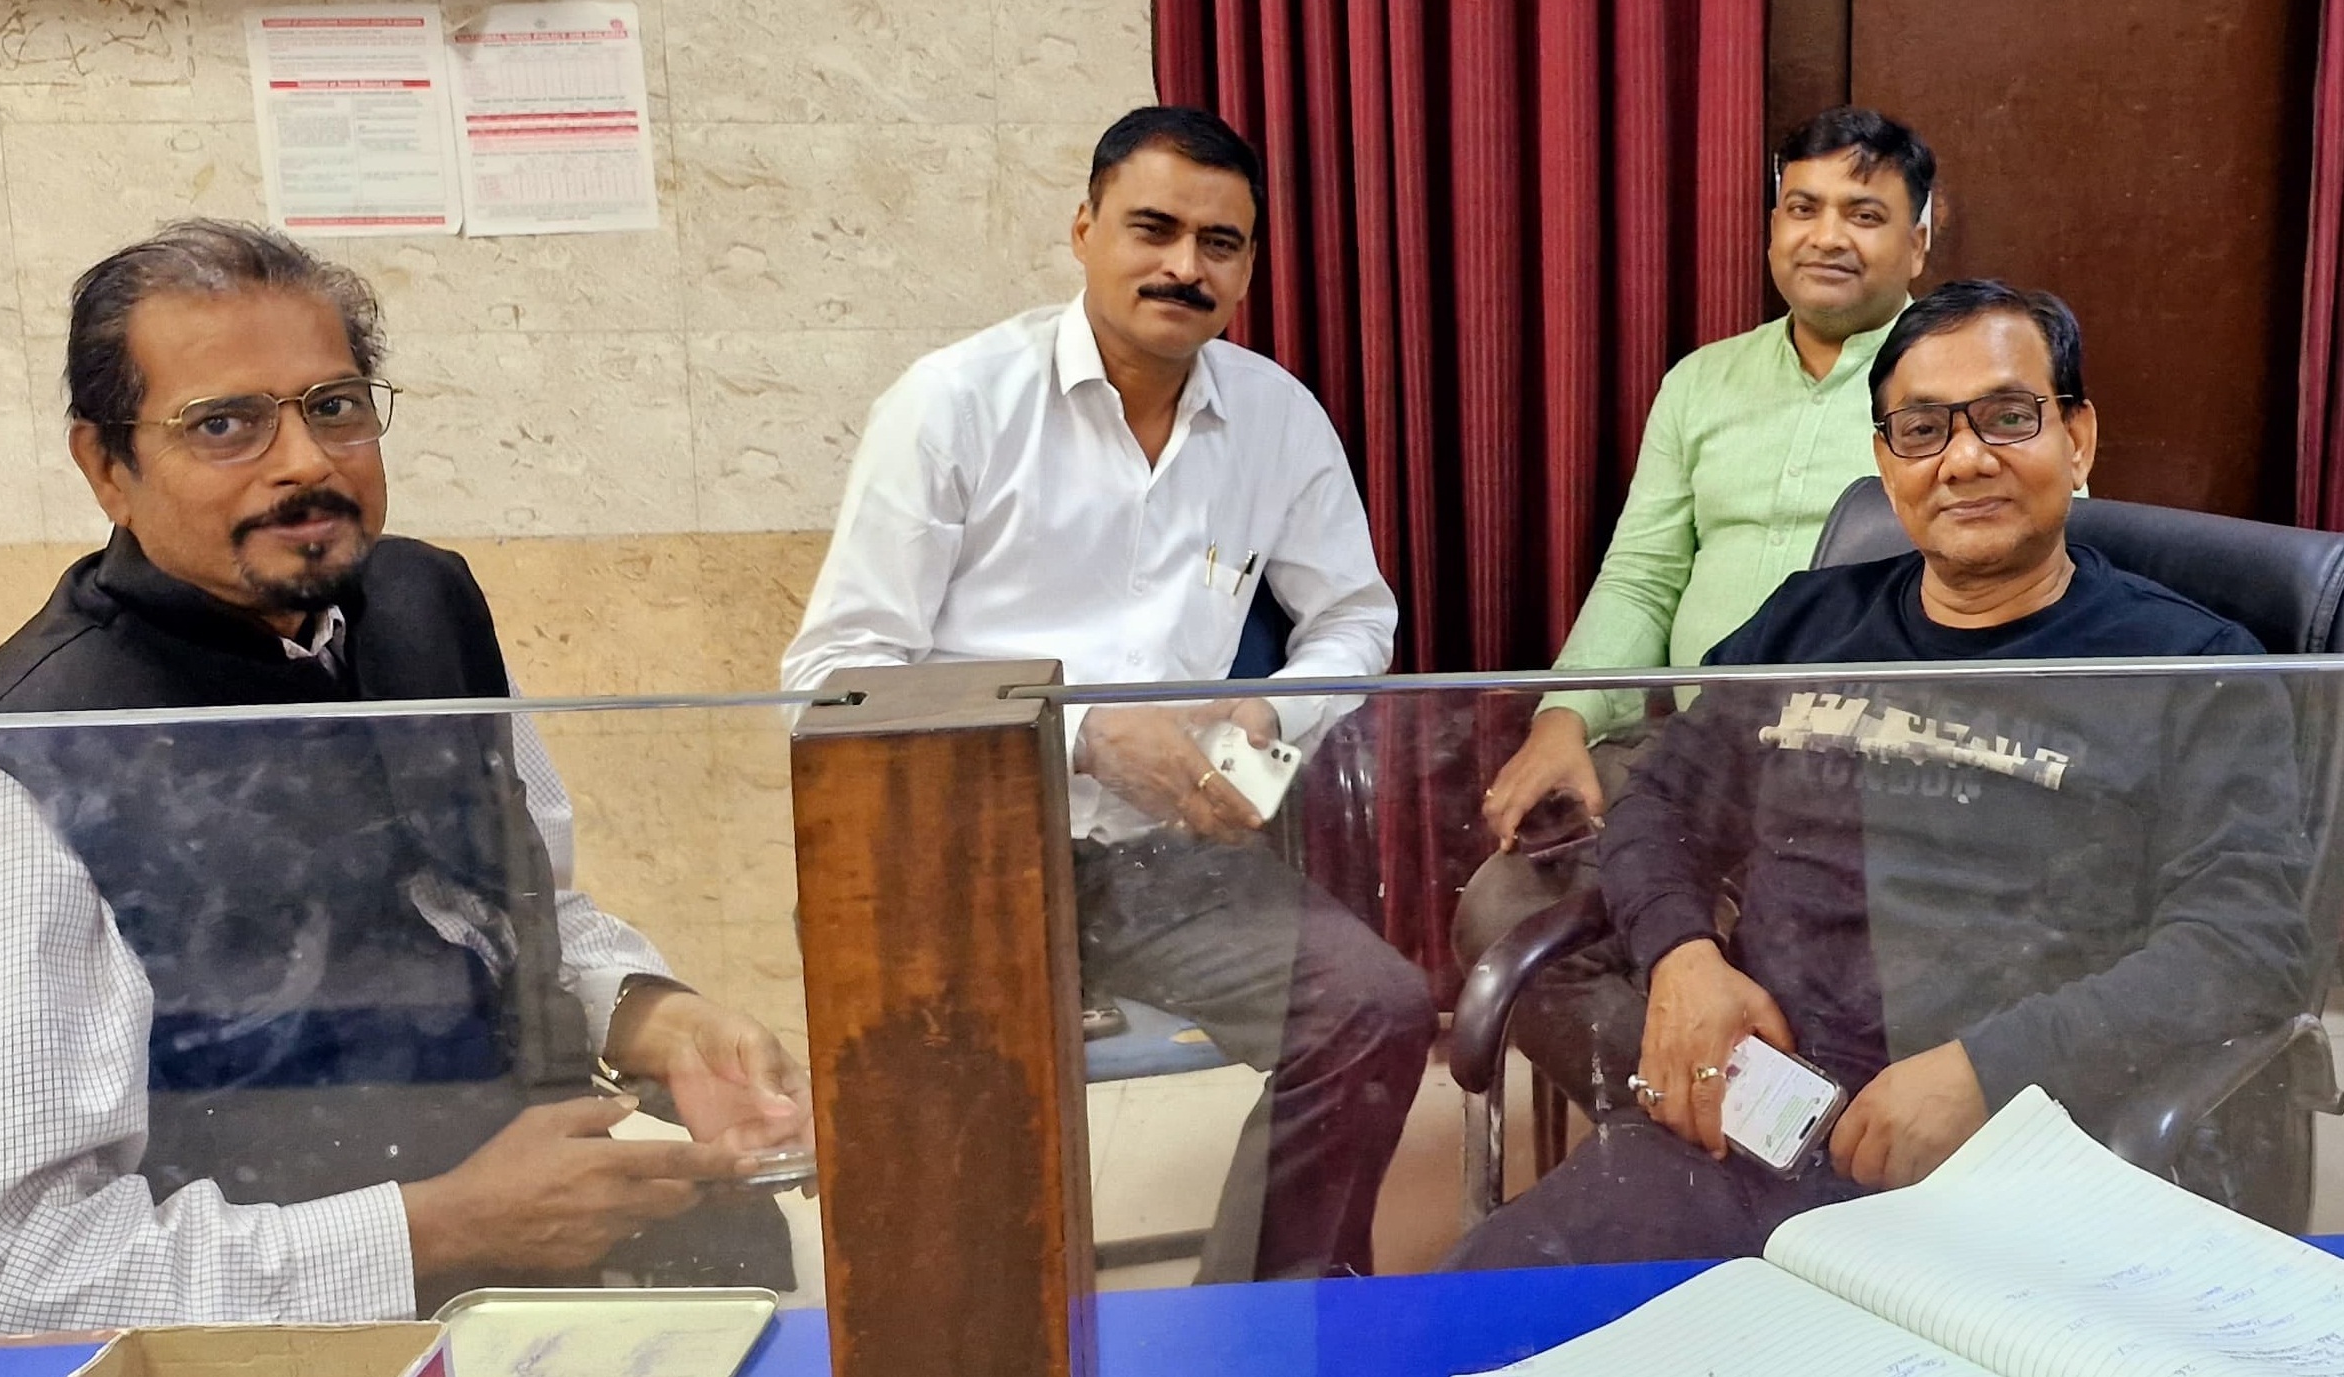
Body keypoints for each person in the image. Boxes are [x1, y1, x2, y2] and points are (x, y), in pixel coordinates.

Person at [0, 221, 813, 1338]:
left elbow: (513, 907)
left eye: (333, 405)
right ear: (106, 467)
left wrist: (650, 1015)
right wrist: (434, 1231)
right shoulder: (9, 780)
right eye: (223, 424)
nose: (306, 463)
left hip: (546, 1312)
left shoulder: (421, 609)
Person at [1444, 279, 2313, 1269]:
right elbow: (1660, 802)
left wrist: (1990, 1072)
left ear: (2077, 439)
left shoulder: (2190, 669)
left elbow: (2245, 942)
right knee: (1480, 1307)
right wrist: (1683, 954)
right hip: (1756, 1133)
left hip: (2016, 1156)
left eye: (2007, 417)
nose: (1965, 459)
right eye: (1922, 429)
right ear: (1886, 463)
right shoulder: (1808, 623)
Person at [781, 105, 1433, 1283]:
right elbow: (830, 681)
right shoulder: (955, 403)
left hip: (1165, 859)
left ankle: (1257, 1326)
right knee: (959, 1167)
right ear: (1084, 230)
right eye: (1153, 228)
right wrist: (1079, 732)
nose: (1186, 267)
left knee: (1373, 1011)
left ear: (1250, 267)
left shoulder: (1275, 417)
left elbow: (1355, 622)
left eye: (1220, 243)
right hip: (965, 851)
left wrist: (1267, 713)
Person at [1460, 106, 1938, 1109]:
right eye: (1802, 208)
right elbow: (1641, 576)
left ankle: (1765, 1129)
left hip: (1869, 774)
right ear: (1772, 228)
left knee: (1820, 964)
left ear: (1918, 241)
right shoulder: (1702, 384)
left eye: (1863, 214)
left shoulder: (1962, 382)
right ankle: (1726, 1122)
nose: (1826, 236)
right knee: (1503, 913)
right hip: (1688, 753)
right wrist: (1564, 719)